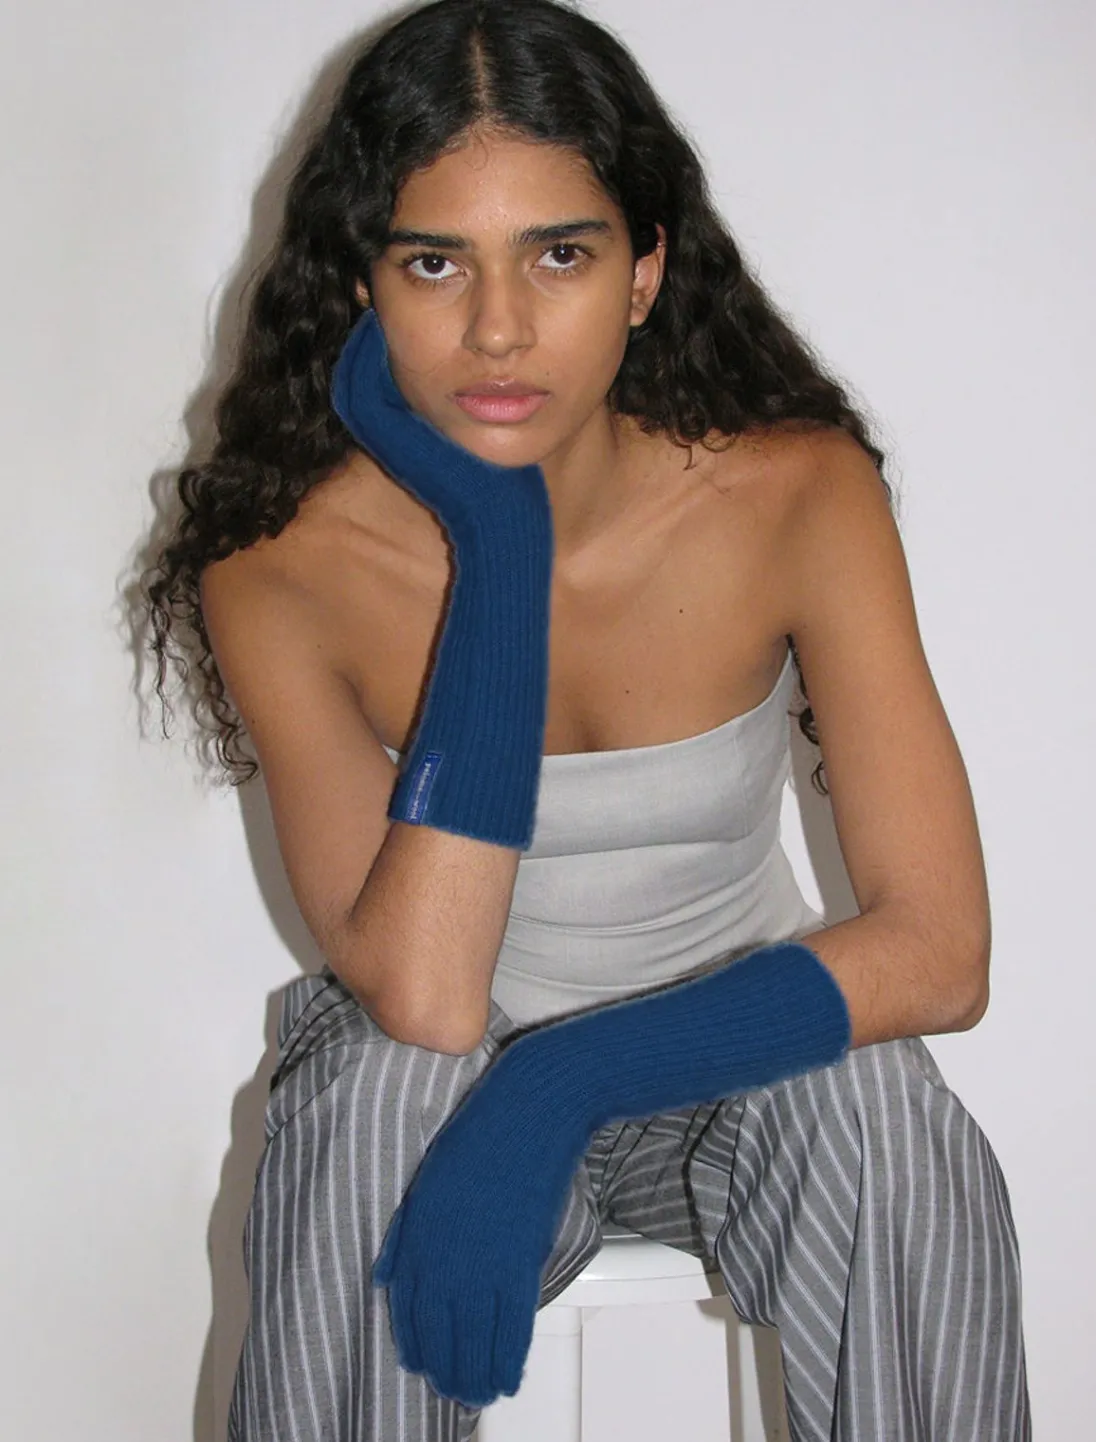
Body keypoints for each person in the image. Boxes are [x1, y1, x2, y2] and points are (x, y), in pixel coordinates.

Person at [144, 1, 1032, 1437]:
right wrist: (501, 541)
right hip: (445, 1081)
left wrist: (565, 1080)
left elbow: (940, 949)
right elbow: (428, 998)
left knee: (881, 1108)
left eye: (560, 253)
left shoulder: (798, 494)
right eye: (435, 261)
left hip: (740, 1073)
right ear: (366, 285)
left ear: (644, 272)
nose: (498, 329)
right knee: (374, 1096)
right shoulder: (282, 572)